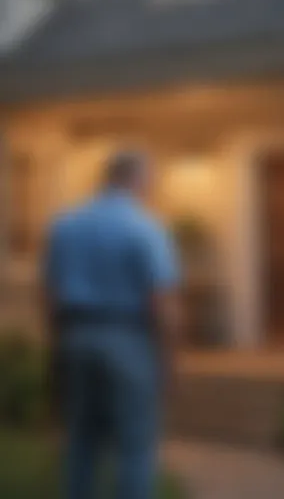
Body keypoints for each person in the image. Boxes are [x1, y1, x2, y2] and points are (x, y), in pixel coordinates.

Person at [42, 151, 181, 499]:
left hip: (75, 335)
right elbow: (163, 301)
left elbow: (48, 294)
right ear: (136, 179)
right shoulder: (146, 227)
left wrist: (57, 343)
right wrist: (169, 361)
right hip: (128, 339)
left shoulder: (65, 224)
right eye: (151, 179)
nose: (152, 187)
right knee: (135, 445)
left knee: (81, 441)